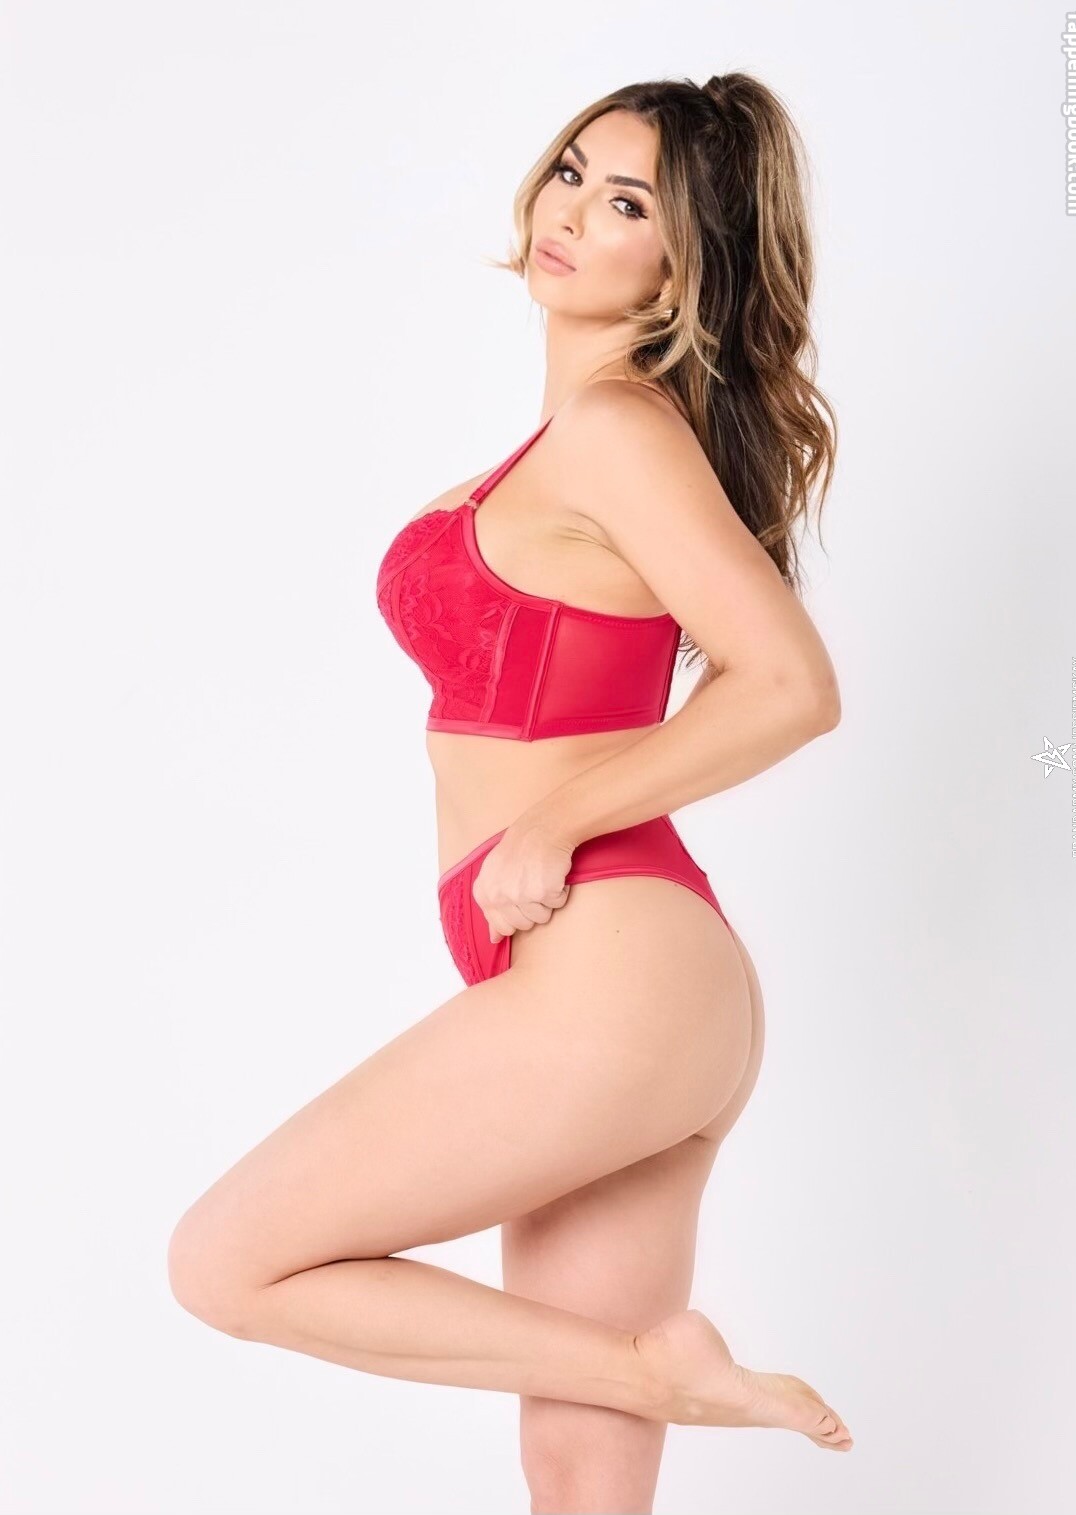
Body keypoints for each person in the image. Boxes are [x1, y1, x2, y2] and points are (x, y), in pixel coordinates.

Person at [168, 70, 851, 1514]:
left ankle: (660, 1374)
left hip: (613, 965)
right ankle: (653, 1376)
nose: (574, 212)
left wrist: (551, 821)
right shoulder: (573, 445)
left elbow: (790, 682)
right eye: (573, 172)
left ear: (685, 264)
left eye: (629, 203)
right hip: (641, 989)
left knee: (226, 1262)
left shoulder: (617, 428)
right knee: (578, 1477)